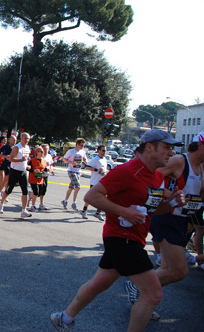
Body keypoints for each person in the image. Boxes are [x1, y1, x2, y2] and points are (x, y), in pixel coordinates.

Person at [50, 129, 183, 332]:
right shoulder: (127, 171)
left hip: (135, 238)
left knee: (99, 284)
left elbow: (153, 211)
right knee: (153, 294)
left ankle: (64, 318)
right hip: (122, 238)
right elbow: (91, 197)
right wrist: (124, 212)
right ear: (150, 147)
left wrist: (173, 202)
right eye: (166, 148)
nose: (171, 153)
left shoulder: (157, 177)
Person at [123, 131, 204, 314]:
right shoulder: (181, 161)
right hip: (166, 217)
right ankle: (139, 288)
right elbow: (152, 178)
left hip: (182, 220)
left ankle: (145, 301)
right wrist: (172, 196)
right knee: (179, 270)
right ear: (200, 145)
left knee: (167, 268)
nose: (169, 151)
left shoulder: (201, 167)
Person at [0, 132, 33, 218]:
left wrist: (26, 164)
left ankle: (24, 210)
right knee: (9, 190)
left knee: (25, 191)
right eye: (25, 138)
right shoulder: (17, 147)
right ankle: (1, 203)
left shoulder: (27, 148)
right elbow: (11, 159)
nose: (27, 140)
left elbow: (26, 159)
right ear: (21, 138)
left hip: (23, 171)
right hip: (14, 171)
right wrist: (20, 160)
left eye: (28, 139)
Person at [82, 145, 108, 220]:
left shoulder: (105, 159)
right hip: (95, 182)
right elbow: (87, 167)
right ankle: (84, 211)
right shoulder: (95, 159)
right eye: (103, 150)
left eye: (105, 151)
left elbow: (104, 170)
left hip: (102, 182)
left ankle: (98, 213)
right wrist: (97, 170)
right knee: (91, 198)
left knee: (103, 198)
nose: (104, 152)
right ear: (98, 151)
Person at [62, 138, 88, 211]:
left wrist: (85, 161)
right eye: (81, 145)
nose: (82, 146)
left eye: (83, 145)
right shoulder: (71, 151)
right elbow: (64, 159)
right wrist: (71, 162)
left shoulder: (83, 152)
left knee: (71, 187)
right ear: (77, 144)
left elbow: (85, 160)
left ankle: (65, 201)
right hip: (71, 171)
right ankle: (74, 203)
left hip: (78, 171)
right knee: (78, 186)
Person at [27, 148, 47, 212]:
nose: (42, 153)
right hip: (33, 178)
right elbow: (28, 168)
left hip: (40, 179)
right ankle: (33, 206)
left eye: (42, 152)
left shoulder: (44, 161)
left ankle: (30, 195)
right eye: (40, 152)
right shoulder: (32, 160)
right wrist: (34, 170)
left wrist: (47, 170)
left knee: (39, 193)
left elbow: (44, 168)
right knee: (36, 192)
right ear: (37, 152)